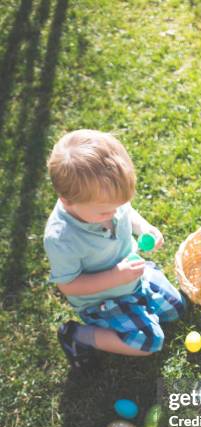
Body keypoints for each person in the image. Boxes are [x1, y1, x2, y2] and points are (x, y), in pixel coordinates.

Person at [44, 129, 185, 371]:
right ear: (67, 201)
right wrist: (115, 276)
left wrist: (144, 227)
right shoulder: (61, 238)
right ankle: (78, 335)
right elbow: (69, 285)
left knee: (177, 308)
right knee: (150, 341)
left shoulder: (103, 199)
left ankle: (142, 295)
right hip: (103, 299)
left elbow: (127, 211)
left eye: (118, 205)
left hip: (133, 276)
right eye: (105, 212)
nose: (114, 213)